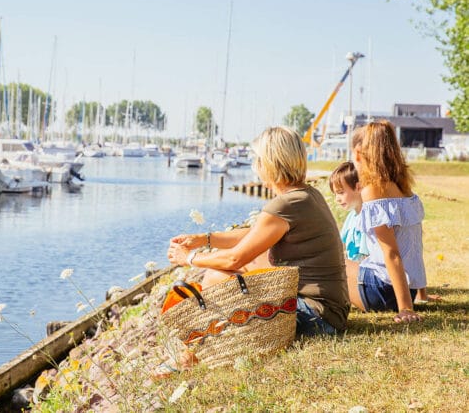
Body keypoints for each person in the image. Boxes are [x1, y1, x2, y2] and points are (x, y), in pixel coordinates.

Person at [167, 126, 350, 337]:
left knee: (216, 277)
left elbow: (233, 260)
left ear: (269, 163)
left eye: (258, 160)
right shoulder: (306, 195)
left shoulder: (287, 204)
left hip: (317, 318)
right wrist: (203, 240)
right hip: (330, 314)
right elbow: (254, 233)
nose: (256, 166)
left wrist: (189, 258)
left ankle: (208, 343)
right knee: (235, 272)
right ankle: (210, 340)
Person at [346, 120, 427, 323]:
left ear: (358, 153)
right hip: (407, 288)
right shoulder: (405, 191)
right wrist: (419, 294)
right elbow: (413, 247)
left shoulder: (373, 191)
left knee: (326, 266)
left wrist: (406, 308)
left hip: (382, 291)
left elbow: (392, 253)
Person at [329, 161, 369, 262]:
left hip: (362, 271)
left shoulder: (367, 217)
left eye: (341, 193)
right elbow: (340, 244)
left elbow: (366, 256)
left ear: (358, 187)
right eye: (335, 194)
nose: (337, 199)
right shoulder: (352, 216)